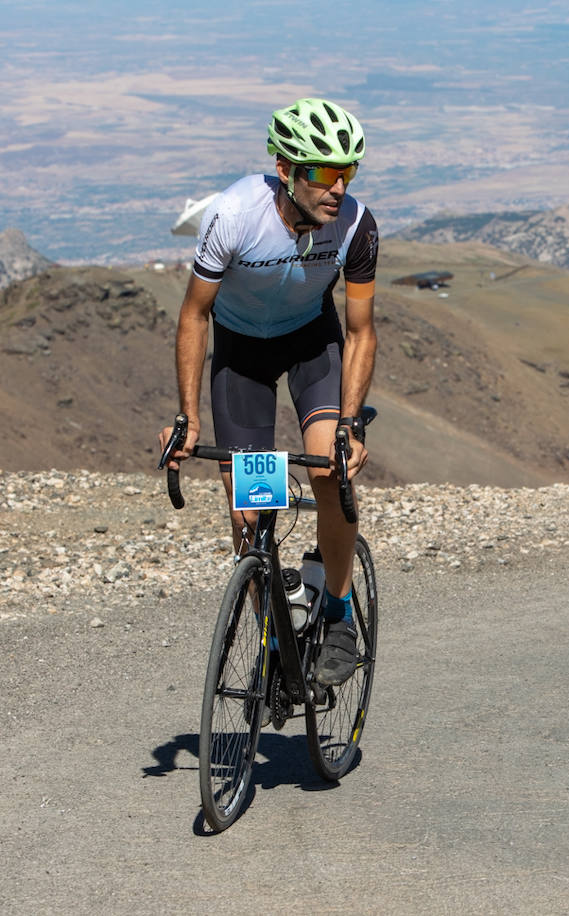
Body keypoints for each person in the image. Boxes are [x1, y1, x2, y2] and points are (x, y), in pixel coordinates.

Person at [160, 98, 378, 686]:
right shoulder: (233, 215)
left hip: (313, 344)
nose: (338, 188)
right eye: (324, 172)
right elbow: (192, 317)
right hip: (243, 358)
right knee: (249, 512)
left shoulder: (356, 225)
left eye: (348, 172)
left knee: (329, 471)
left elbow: (360, 331)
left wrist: (350, 425)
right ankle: (272, 634)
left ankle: (335, 613)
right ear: (285, 169)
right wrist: (187, 417)